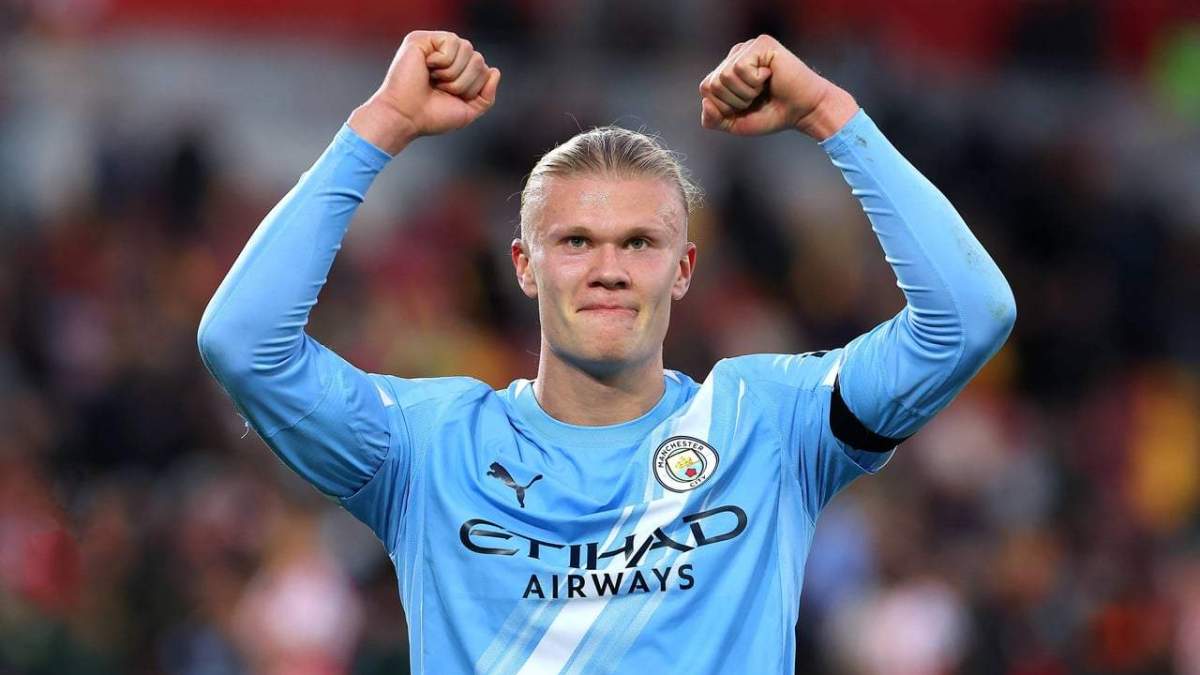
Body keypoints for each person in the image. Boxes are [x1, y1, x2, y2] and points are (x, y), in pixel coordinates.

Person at [197, 30, 1015, 675]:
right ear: (524, 265)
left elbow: (969, 316)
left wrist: (831, 113)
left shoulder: (768, 425)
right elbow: (243, 342)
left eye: (640, 242)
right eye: (576, 240)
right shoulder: (428, 443)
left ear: (684, 268)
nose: (609, 269)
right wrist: (380, 125)